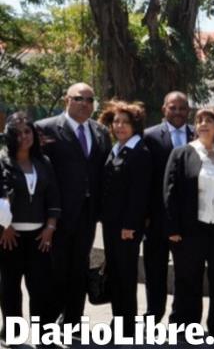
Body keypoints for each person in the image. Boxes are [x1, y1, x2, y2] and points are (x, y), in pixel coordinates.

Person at [35, 82, 111, 327]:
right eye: (80, 98)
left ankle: (72, 320)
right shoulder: (45, 129)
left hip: (88, 214)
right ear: (67, 100)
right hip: (57, 214)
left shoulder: (100, 131)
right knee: (56, 269)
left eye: (90, 100)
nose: (86, 104)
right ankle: (47, 322)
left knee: (79, 266)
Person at [164, 107, 214, 332]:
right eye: (199, 121)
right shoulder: (182, 153)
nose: (203, 124)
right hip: (191, 227)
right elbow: (170, 192)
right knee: (188, 277)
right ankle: (184, 325)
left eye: (209, 120)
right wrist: (173, 227)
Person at [0, 113, 59, 332]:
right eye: (18, 132)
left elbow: (53, 197)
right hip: (9, 237)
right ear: (10, 136)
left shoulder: (43, 162)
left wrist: (50, 228)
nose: (24, 136)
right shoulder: (2, 161)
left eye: (27, 131)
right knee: (10, 287)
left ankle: (44, 332)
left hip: (40, 237)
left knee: (41, 287)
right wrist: (4, 227)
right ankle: (12, 332)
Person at [98, 100, 152, 337]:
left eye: (125, 122)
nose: (119, 126)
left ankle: (127, 325)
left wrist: (130, 225)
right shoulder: (117, 148)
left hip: (126, 227)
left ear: (135, 125)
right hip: (111, 224)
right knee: (116, 274)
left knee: (126, 275)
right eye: (116, 122)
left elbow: (139, 193)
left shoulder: (139, 152)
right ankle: (118, 319)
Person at [142, 91, 193, 320]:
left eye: (182, 108)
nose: (178, 112)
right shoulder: (149, 136)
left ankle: (180, 318)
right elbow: (143, 179)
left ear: (189, 111)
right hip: (156, 218)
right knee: (155, 270)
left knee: (185, 271)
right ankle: (153, 315)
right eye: (173, 107)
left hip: (188, 219)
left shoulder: (198, 135)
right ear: (164, 109)